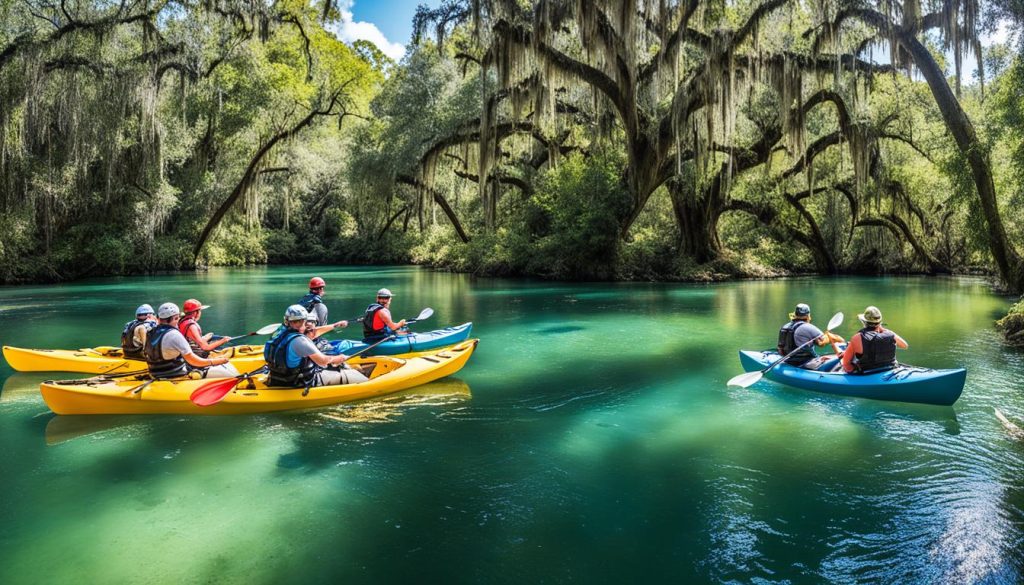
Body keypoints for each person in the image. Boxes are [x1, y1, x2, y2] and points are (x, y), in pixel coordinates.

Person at [264, 305, 368, 389]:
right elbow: (323, 361)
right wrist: (339, 358)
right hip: (298, 383)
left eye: (299, 321)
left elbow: (312, 333)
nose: (298, 324)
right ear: (306, 320)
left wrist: (334, 326)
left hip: (277, 379)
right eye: (296, 322)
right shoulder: (300, 341)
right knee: (352, 376)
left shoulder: (278, 332)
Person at [145, 303, 239, 379]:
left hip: (155, 373)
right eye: (177, 318)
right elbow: (194, 361)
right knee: (229, 373)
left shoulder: (150, 331)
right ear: (174, 318)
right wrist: (215, 361)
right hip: (174, 374)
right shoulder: (174, 335)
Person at [841, 306, 908, 374]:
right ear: (880, 323)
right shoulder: (890, 334)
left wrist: (852, 372)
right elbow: (904, 345)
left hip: (867, 373)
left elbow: (846, 363)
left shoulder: (857, 338)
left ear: (864, 322)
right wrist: (882, 329)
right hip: (889, 369)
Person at [777, 303, 844, 367]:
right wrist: (829, 336)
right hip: (804, 362)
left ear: (795, 314)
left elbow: (780, 347)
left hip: (787, 361)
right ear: (808, 316)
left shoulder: (784, 327)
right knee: (834, 362)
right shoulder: (808, 327)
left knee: (826, 358)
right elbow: (821, 343)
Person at [297, 277, 347, 351]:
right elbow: (321, 326)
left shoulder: (304, 298)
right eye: (322, 288)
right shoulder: (319, 304)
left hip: (299, 332)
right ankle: (318, 343)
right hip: (309, 335)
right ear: (321, 289)